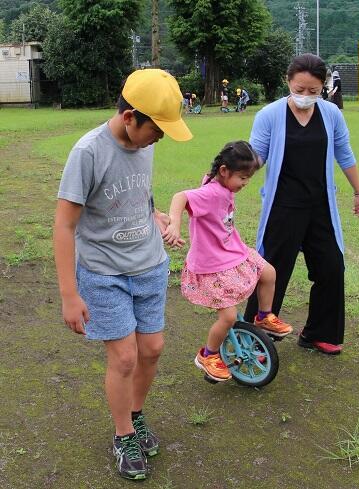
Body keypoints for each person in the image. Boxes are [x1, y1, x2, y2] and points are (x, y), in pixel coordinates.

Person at [53, 69, 192, 480]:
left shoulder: (143, 143)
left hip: (150, 265)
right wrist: (69, 294)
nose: (159, 139)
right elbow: (64, 225)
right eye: (156, 130)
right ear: (130, 117)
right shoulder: (88, 152)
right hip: (104, 273)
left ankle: (135, 413)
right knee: (125, 356)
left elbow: (137, 190)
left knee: (152, 349)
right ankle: (123, 434)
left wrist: (153, 213)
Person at [243, 53, 359, 355]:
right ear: (288, 82)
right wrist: (226, 177)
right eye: (300, 89)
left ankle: (319, 334)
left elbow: (344, 153)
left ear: (324, 86)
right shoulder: (270, 115)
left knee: (331, 267)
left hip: (321, 205)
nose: (306, 95)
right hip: (283, 206)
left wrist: (358, 192)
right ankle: (253, 336)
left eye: (314, 90)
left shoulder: (331, 114)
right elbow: (255, 156)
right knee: (272, 269)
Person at [163, 141, 293, 382]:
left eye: (248, 178)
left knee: (268, 273)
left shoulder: (220, 184)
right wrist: (175, 223)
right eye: (242, 178)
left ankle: (264, 317)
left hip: (231, 251)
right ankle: (208, 355)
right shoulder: (211, 193)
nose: (245, 183)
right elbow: (180, 197)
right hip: (212, 264)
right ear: (224, 171)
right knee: (229, 317)